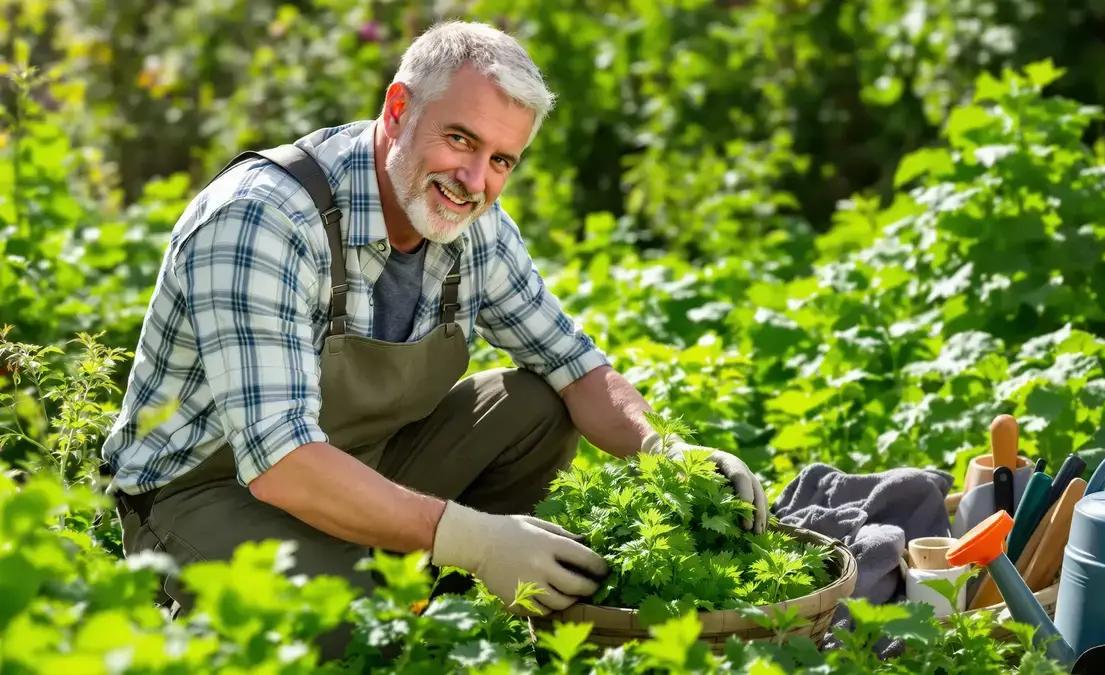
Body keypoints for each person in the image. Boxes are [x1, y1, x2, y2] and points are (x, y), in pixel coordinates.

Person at [100, 19, 767, 653]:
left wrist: (667, 450)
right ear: (397, 110)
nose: (475, 182)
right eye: (460, 140)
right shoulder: (263, 220)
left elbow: (572, 363)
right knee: (346, 622)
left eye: (502, 159)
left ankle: (430, 587)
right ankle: (377, 586)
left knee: (537, 406)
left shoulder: (473, 223)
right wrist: (476, 540)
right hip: (208, 489)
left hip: (361, 458)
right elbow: (281, 460)